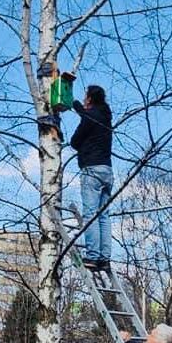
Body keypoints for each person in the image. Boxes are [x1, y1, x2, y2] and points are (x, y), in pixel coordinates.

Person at [70, 85, 113, 270]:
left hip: (91, 170)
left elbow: (74, 141)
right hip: (107, 171)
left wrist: (80, 109)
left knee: (91, 214)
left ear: (89, 99)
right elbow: (88, 117)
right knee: (104, 215)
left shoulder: (90, 116)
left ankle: (93, 256)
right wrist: (78, 107)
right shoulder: (105, 117)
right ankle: (104, 258)